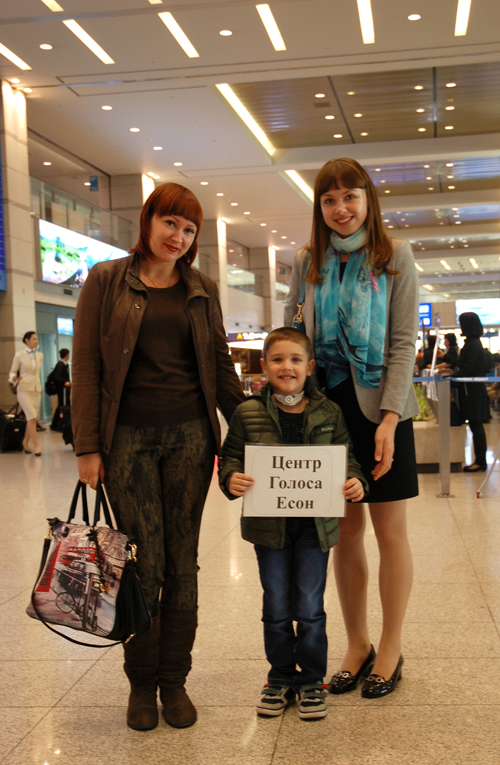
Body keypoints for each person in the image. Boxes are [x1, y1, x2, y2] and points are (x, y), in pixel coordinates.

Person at [72, 183, 244, 731]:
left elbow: (219, 363)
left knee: (182, 562)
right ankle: (141, 684)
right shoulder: (106, 280)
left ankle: (175, 681)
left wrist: (253, 428)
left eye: (189, 229)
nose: (179, 236)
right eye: (170, 223)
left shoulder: (201, 288)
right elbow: (86, 366)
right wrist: (87, 447)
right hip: (127, 441)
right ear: (147, 221)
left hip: (191, 438)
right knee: (142, 564)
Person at [285, 157, 420, 698]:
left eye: (350, 197)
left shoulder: (395, 256)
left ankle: (390, 646)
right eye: (329, 199)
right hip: (326, 412)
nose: (340, 209)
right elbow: (293, 335)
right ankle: (357, 643)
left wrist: (390, 417)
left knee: (390, 532)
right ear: (319, 206)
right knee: (344, 533)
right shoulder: (307, 261)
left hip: (382, 410)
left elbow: (403, 343)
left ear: (368, 199)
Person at [219, 327, 367, 720]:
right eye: (278, 359)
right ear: (264, 365)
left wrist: (355, 481)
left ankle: (312, 680)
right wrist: (230, 478)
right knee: (276, 606)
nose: (287, 366)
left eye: (296, 359)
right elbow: (231, 456)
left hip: (314, 529)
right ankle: (280, 676)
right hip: (269, 529)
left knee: (310, 607)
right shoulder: (247, 412)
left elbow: (347, 458)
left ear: (310, 366)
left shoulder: (329, 412)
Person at [455, 312, 490, 472]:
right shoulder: (471, 343)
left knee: (476, 425)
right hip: (470, 390)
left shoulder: (473, 345)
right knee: (475, 425)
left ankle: (480, 461)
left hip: (473, 391)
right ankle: (480, 460)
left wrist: (452, 375)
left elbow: (466, 369)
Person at [8, 331, 43, 456]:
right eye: (34, 339)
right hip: (24, 389)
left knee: (31, 419)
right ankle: (37, 446)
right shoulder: (19, 355)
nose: (36, 341)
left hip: (36, 390)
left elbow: (37, 374)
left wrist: (39, 388)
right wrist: (14, 377)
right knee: (32, 416)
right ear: (27, 340)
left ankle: (25, 442)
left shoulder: (39, 355)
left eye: (37, 339)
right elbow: (12, 371)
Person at [50, 348, 71, 431]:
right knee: (62, 406)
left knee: (62, 405)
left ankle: (58, 423)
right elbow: (57, 377)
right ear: (67, 355)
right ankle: (57, 424)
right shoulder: (60, 365)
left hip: (65, 389)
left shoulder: (65, 365)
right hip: (62, 389)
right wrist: (64, 382)